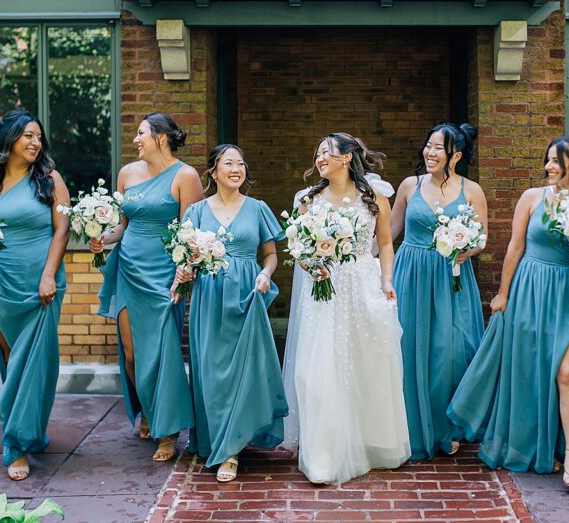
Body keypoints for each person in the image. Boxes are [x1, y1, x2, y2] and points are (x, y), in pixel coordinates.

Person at [448, 135, 569, 487]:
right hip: (531, 291)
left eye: (556, 160)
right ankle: (537, 447)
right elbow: (515, 248)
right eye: (547, 159)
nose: (548, 166)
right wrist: (503, 294)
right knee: (531, 373)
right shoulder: (532, 198)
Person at [281, 133, 410, 484]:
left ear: (346, 159)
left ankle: (372, 445)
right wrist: (313, 266)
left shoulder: (375, 198)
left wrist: (387, 281)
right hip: (323, 290)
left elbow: (385, 243)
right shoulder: (306, 200)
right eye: (317, 152)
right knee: (316, 369)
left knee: (366, 364)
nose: (319, 158)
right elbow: (297, 250)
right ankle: (324, 454)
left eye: (326, 152)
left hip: (362, 284)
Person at [0, 109, 68, 481]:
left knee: (35, 363)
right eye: (27, 135)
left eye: (39, 136)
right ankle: (26, 431)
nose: (35, 142)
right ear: (8, 138)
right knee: (11, 363)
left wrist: (49, 275)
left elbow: (62, 231)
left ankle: (16, 444)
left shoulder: (50, 181)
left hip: (41, 284)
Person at [172, 144, 288, 482]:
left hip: (246, 297)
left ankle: (231, 451)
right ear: (213, 172)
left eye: (240, 163)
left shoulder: (257, 208)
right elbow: (184, 258)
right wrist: (184, 272)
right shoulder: (195, 211)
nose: (236, 168)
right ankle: (217, 438)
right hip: (209, 300)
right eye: (228, 163)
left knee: (243, 372)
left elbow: (270, 255)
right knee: (212, 372)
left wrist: (265, 275)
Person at [91, 113, 202, 462]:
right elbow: (121, 226)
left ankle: (168, 431)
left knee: (165, 352)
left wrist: (183, 274)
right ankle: (149, 413)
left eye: (141, 134)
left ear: (161, 138)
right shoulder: (127, 173)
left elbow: (191, 233)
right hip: (127, 269)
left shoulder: (186, 176)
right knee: (132, 353)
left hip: (164, 275)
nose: (136, 140)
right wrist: (102, 239)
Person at [390, 123, 488, 460]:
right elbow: (389, 234)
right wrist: (359, 262)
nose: (429, 153)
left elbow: (482, 238)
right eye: (428, 146)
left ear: (456, 155)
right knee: (409, 348)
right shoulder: (408, 186)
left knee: (449, 352)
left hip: (451, 277)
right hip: (411, 273)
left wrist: (467, 247)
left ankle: (446, 426)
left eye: (438, 148)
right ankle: (410, 428)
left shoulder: (472, 190)